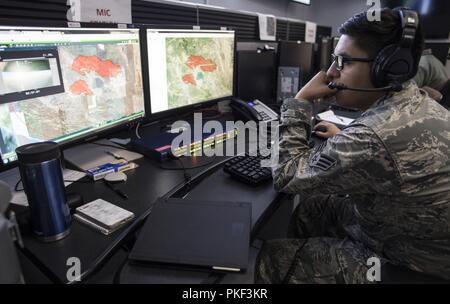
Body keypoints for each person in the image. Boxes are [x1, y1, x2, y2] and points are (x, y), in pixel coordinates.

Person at [255, 7, 450, 284]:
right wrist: (343, 136)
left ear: (388, 69)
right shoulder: (417, 101)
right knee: (311, 211)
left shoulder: (372, 136)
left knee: (275, 256)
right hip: (418, 236)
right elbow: (387, 147)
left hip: (411, 264)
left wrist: (298, 103)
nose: (331, 73)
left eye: (343, 62)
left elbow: (286, 176)